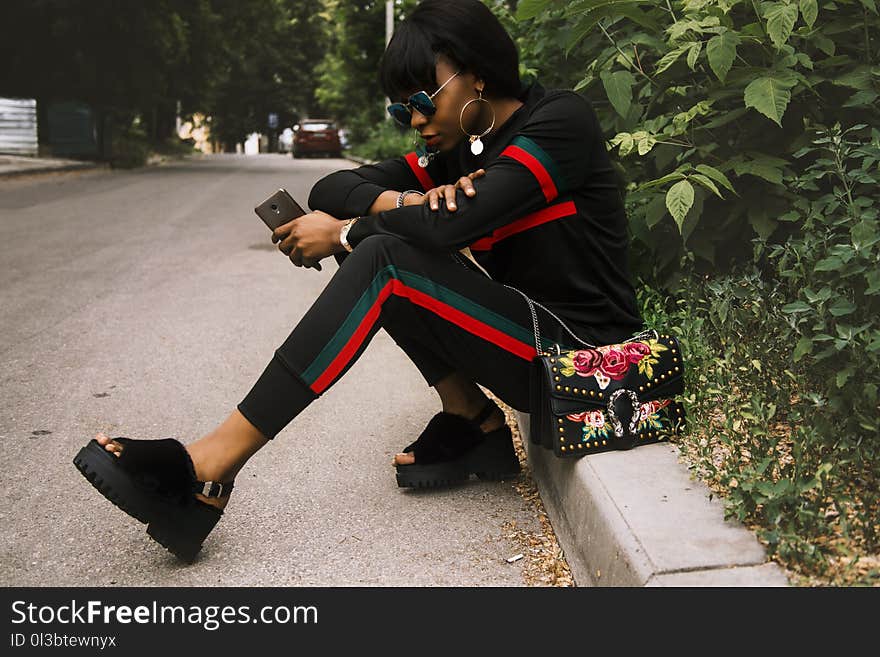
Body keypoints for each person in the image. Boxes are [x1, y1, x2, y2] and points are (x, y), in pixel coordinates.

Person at [73, 0, 644, 563]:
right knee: (382, 241)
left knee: (381, 254)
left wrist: (349, 233)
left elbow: (461, 219)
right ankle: (471, 419)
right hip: (526, 343)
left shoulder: (558, 122)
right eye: (402, 113)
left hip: (589, 361)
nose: (416, 122)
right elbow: (331, 189)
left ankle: (209, 467)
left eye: (422, 102)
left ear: (476, 72)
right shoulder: (453, 154)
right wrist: (409, 201)